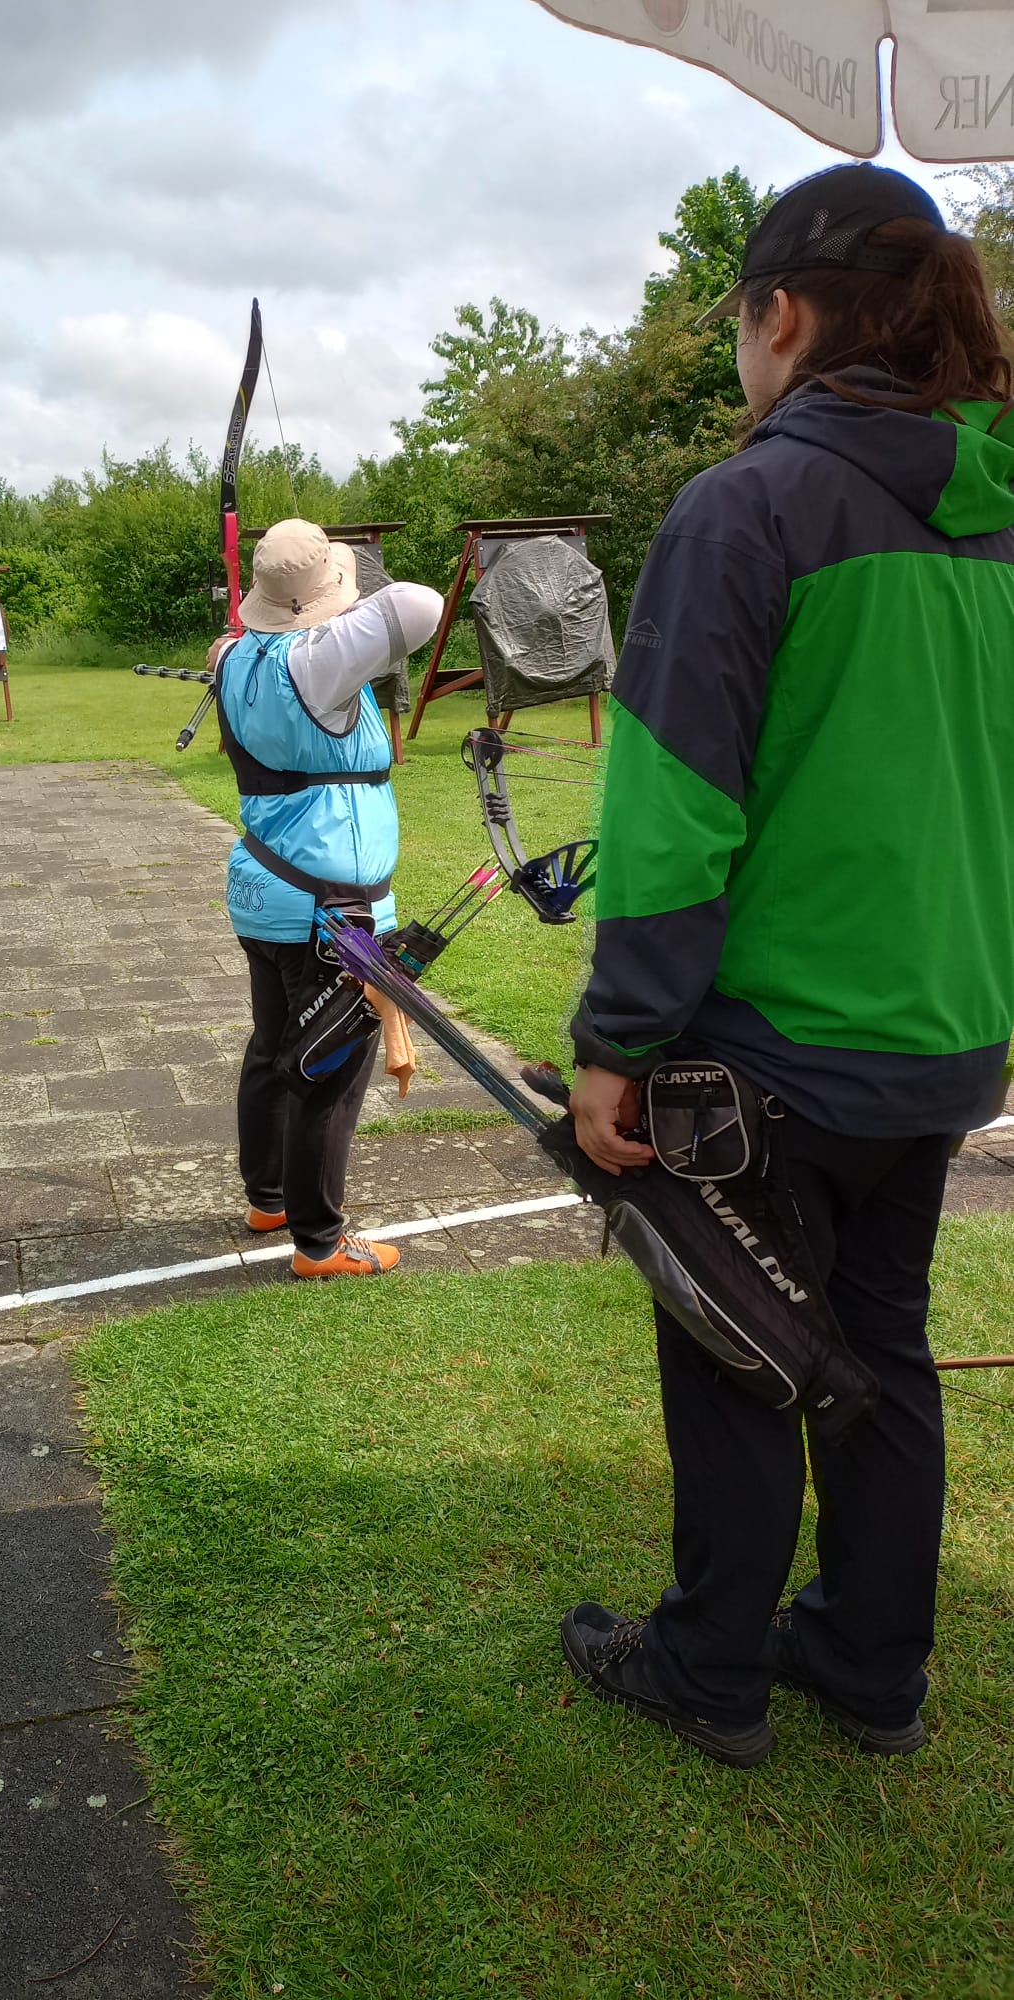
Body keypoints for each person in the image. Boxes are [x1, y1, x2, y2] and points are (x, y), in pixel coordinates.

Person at [558, 164, 1014, 1766]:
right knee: (877, 1344)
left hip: (776, 1049)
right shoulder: (1002, 505)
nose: (736, 357)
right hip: (951, 1036)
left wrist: (615, 1039)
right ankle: (874, 1669)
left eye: (738, 324)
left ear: (786, 317)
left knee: (738, 1353)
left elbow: (674, 815)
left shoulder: (745, 505)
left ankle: (713, 1668)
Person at [213, 519, 442, 1278]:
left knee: (276, 1047)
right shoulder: (315, 663)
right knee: (330, 1068)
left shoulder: (234, 654)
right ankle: (319, 1242)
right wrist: (336, 617)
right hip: (326, 906)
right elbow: (419, 606)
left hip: (266, 891)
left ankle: (269, 1197)